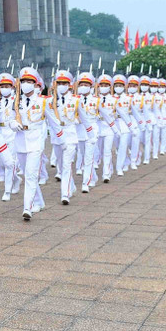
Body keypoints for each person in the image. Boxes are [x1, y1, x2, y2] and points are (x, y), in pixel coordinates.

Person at [13, 67, 49, 220]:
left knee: (31, 175)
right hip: (20, 141)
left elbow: (53, 122)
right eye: (23, 81)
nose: (26, 84)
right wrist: (12, 124)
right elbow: (10, 118)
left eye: (29, 81)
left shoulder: (43, 102)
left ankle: (27, 207)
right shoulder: (16, 101)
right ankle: (39, 201)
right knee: (28, 174)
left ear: (35, 84)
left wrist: (61, 138)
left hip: (35, 141)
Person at [49, 70, 82, 205]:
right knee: (61, 165)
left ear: (70, 85)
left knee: (67, 165)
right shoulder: (50, 100)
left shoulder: (75, 100)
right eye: (59, 83)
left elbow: (84, 117)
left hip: (70, 134)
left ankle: (65, 193)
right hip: (57, 135)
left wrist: (89, 132)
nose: (62, 85)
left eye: (64, 83)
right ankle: (71, 186)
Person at [0, 73, 20, 201]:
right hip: (1, 132)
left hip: (12, 132)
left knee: (10, 162)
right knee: (3, 161)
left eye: (7, 86)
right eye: (2, 86)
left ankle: (7, 191)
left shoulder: (17, 99)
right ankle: (16, 179)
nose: (4, 88)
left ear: (12, 87)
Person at [75, 72, 100, 193]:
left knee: (89, 157)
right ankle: (93, 176)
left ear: (91, 86)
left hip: (92, 129)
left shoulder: (96, 100)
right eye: (81, 84)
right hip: (80, 130)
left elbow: (105, 113)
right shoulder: (75, 99)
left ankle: (86, 182)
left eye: (86, 84)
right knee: (84, 155)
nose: (83, 86)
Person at [95, 74, 119, 183]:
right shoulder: (94, 99)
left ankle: (106, 174)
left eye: (106, 85)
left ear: (110, 87)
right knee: (97, 152)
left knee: (107, 151)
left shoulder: (114, 100)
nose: (103, 87)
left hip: (109, 128)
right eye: (101, 85)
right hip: (97, 128)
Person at [112, 74, 133, 176]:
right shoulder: (110, 98)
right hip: (114, 124)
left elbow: (135, 113)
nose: (118, 88)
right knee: (117, 146)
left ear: (124, 86)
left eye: (120, 85)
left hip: (125, 124)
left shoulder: (129, 98)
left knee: (123, 145)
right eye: (116, 85)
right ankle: (126, 160)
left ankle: (119, 167)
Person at [125, 75, 143, 171]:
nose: (132, 87)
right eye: (130, 85)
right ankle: (128, 158)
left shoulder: (141, 98)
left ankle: (133, 160)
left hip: (137, 121)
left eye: (134, 86)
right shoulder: (124, 97)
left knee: (136, 140)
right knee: (127, 142)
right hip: (126, 121)